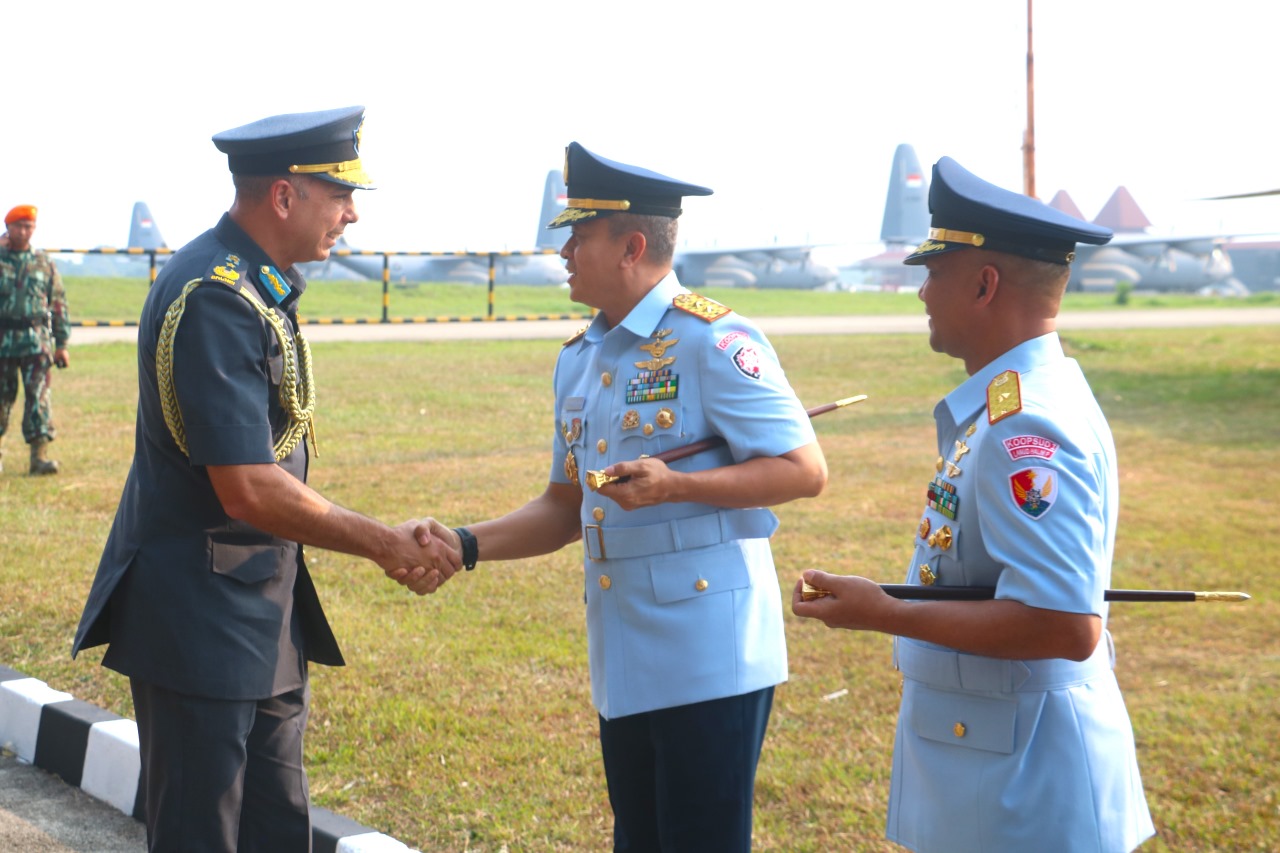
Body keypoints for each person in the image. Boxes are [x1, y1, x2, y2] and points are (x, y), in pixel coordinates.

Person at [72, 106, 459, 853]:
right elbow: (248, 485)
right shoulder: (216, 296)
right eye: (340, 195)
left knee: (276, 829)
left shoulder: (253, 282)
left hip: (257, 610)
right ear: (284, 196)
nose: (351, 214)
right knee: (203, 834)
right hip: (200, 620)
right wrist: (384, 542)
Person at [426, 142, 828, 852]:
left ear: (631, 247)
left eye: (579, 236)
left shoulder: (713, 340)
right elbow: (564, 506)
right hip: (627, 655)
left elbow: (802, 469)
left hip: (710, 656)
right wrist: (463, 544)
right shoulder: (581, 358)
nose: (564, 252)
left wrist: (679, 485)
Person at [792, 156, 1155, 852]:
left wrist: (884, 612)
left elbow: (1064, 623)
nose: (921, 292)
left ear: (985, 284)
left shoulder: (1026, 426)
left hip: (1023, 787)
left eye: (934, 272)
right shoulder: (1013, 403)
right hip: (996, 763)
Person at [0, 204, 69, 475]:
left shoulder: (44, 262)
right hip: (3, 342)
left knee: (39, 400)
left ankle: (38, 459)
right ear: (8, 228)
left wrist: (62, 345)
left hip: (35, 343)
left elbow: (58, 303)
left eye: (28, 226)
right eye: (18, 226)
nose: (23, 231)